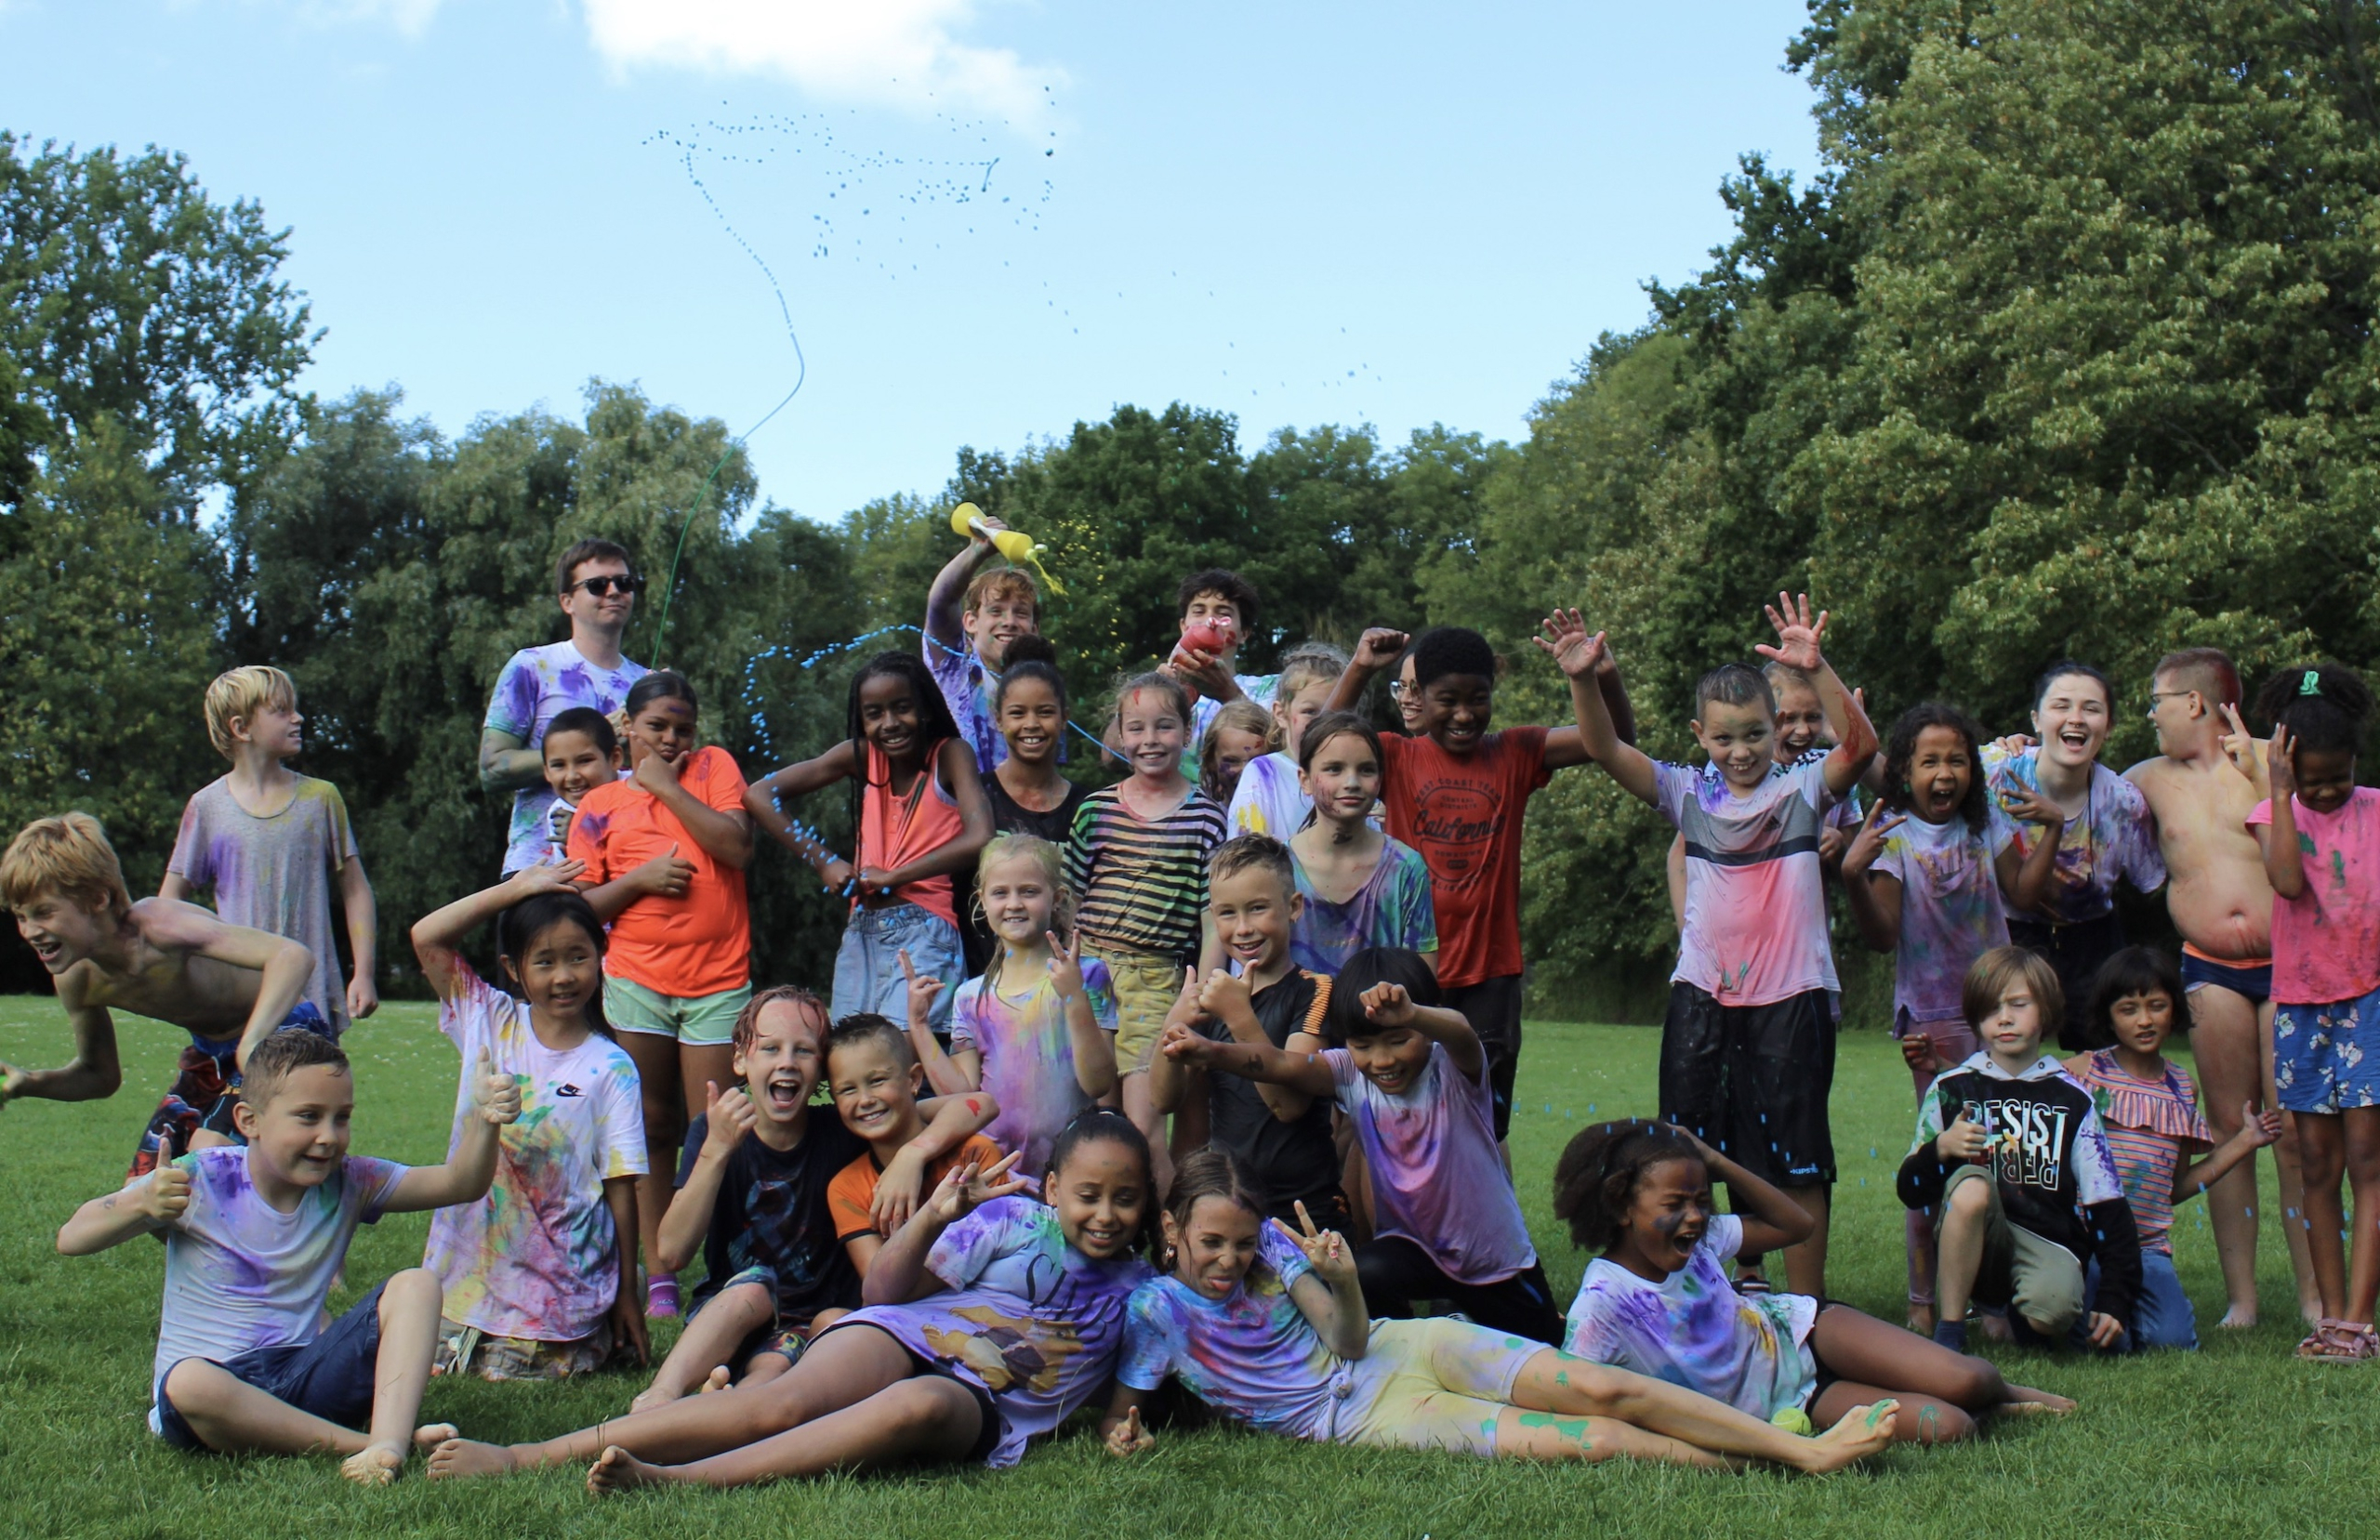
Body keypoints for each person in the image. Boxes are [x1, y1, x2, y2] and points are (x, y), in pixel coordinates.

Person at [427, 1112, 1157, 1489]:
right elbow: (885, 1290)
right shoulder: (1008, 1217)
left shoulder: (1144, 1294)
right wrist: (938, 1213)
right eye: (1087, 1194)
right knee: (777, 1405)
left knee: (921, 1406)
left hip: (978, 1399)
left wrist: (1122, 1428)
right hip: (905, 1331)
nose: (1105, 1214)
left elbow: (1128, 1393)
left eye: (1125, 1199)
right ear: (1053, 1187)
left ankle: (674, 1480)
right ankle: (524, 1455)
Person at [1100, 1145, 1903, 1471]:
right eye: (1212, 1243)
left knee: (1596, 1386)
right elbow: (1123, 1411)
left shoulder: (1275, 1244)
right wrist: (1123, 1431)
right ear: (1172, 1228)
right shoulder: (1154, 1311)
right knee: (1589, 1438)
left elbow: (1346, 1340)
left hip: (1402, 1345)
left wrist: (1339, 1275)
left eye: (1240, 1244)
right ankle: (1774, 1455)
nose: (1230, 1260)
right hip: (1358, 1417)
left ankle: (1804, 1448)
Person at [1547, 598, 1873, 1297]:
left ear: (1777, 727)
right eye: (1725, 738)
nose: (1743, 750)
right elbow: (1604, 748)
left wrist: (1818, 673)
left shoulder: (1802, 789)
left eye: (1756, 733)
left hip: (1792, 999)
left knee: (1798, 1159)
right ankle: (1699, 1299)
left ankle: (1808, 1312)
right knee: (1687, 1154)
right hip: (1702, 997)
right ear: (1701, 735)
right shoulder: (1687, 792)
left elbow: (1862, 749)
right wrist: (1582, 678)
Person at [57, 1026, 522, 1483]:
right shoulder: (201, 1177)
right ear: (248, 1121)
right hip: (215, 1399)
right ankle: (374, 1446)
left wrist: (484, 1119)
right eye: (308, 1116)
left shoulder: (351, 1182)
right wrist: (141, 1202)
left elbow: (461, 1183)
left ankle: (384, 1443)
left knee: (416, 1285)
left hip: (304, 1375)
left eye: (341, 1117)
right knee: (187, 1383)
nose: (328, 1136)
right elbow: (72, 1237)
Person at [1556, 1119, 2073, 1443]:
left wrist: (1716, 1162)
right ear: (1622, 1205)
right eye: (1675, 1205)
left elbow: (1795, 1226)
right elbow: (1579, 1396)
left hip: (1806, 1331)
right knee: (1950, 1426)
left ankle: (2004, 1389)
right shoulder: (1604, 1302)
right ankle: (1981, 1403)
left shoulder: (1705, 1238)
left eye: (1699, 1201)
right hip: (1793, 1401)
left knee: (1968, 1380)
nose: (1693, 1217)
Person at [1324, 619, 1635, 1143]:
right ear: (1419, 696)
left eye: (1478, 698)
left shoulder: (1516, 752)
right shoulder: (1398, 756)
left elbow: (1615, 742)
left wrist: (1600, 677)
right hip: (1412, 969)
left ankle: (1479, 1225)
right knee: (1397, 1118)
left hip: (1491, 975)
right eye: (1448, 699)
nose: (1464, 714)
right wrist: (1359, 668)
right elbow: (1326, 741)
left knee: (1482, 1125)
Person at [1161, 947, 1563, 1342]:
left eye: (1398, 1039)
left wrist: (1414, 1013)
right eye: (1364, 1045)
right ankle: (1402, 1348)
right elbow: (1282, 1064)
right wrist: (1211, 1051)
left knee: (1545, 1348)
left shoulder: (1455, 1069)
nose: (1382, 1061)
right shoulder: (1350, 1073)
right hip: (1413, 1250)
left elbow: (1459, 1028)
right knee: (1362, 1274)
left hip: (1493, 1258)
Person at [1836, 702, 2060, 1329]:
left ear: (1972, 770)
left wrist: (2055, 830)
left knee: (2007, 1148)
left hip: (1999, 1010)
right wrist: (1854, 874)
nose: (1945, 771)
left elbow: (2025, 893)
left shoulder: (1984, 826)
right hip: (1930, 1018)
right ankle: (1922, 1298)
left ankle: (1992, 1296)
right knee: (1939, 1152)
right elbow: (1882, 935)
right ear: (1904, 772)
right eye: (1929, 760)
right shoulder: (1895, 835)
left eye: (1957, 759)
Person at [565, 669, 755, 1318]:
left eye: (682, 728)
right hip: (638, 978)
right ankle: (660, 1269)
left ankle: (728, 1263)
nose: (672, 738)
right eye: (657, 728)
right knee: (650, 1123)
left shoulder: (715, 767)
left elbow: (736, 846)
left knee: (712, 1128)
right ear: (629, 727)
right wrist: (642, 877)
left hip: (718, 979)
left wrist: (668, 787)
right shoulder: (598, 806)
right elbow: (581, 906)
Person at [2127, 645, 2307, 1326]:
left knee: (2291, 1132)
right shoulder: (2145, 778)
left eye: (2157, 701)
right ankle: (2244, 1298)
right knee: (2234, 1128)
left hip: (2290, 963)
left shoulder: (2271, 757)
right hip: (2209, 966)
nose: (2151, 715)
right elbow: (2075, 792)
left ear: (2194, 703)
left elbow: (2321, 832)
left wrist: (2266, 782)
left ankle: (2316, 1292)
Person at [411, 864, 648, 1379]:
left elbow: (620, 1187)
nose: (564, 976)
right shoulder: (487, 1018)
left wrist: (628, 1292)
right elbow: (426, 936)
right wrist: (513, 890)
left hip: (558, 1289)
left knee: (511, 1373)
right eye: (544, 961)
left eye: (578, 957)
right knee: (426, 1357)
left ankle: (600, 1314)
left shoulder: (611, 1067)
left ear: (600, 957)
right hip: (466, 1282)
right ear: (514, 969)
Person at [1, 812, 320, 1178]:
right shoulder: (78, 980)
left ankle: (321, 1196)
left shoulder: (161, 929)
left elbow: (292, 956)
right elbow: (99, 1076)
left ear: (98, 899)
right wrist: (30, 1082)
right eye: (20, 916)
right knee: (148, 1182)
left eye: (44, 913)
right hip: (213, 1055)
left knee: (212, 1151)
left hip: (286, 1034)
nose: (30, 931)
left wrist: (252, 1043)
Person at [1898, 947, 2141, 1354]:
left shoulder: (2074, 1099)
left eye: (2018, 1004)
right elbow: (1910, 1189)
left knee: (2053, 1311)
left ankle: (2015, 1315)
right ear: (1976, 1017)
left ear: (2044, 1011)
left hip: (2047, 1239)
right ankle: (1952, 1329)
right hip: (1976, 1234)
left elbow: (2108, 1206)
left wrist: (2115, 1297)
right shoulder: (1952, 1089)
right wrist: (1940, 1149)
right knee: (1972, 1187)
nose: (2005, 1018)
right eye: (1991, 1008)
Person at [746, 652, 992, 1042]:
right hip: (861, 931)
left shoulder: (950, 753)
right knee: (849, 1056)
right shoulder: (861, 755)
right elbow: (759, 795)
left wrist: (895, 875)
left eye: (902, 708)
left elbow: (980, 837)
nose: (890, 723)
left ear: (925, 708)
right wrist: (824, 860)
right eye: (874, 713)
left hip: (926, 931)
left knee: (902, 1060)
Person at [2245, 663, 2380, 1360]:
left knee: (2368, 1159)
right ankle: (2331, 1319)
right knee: (2317, 1165)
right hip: (2301, 1009)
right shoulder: (2274, 813)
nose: (2326, 790)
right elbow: (2289, 882)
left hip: (2370, 1005)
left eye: (2339, 776)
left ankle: (2359, 1320)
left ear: (2357, 759)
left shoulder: (2378, 811)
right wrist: (2277, 785)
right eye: (2311, 778)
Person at [2063, 947, 2282, 1351]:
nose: (2144, 1020)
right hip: (2088, 1244)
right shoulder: (2086, 1072)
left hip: (2148, 1250)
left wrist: (2246, 1141)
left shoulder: (2182, 1088)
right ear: (2108, 1016)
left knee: (2174, 1343)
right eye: (2129, 1009)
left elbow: (2176, 1187)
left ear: (2174, 1010)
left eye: (2157, 1006)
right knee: (2109, 1343)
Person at [1065, 671, 1227, 1194]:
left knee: (1145, 1124)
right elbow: (1067, 901)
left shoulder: (1206, 817)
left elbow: (1211, 917)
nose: (1149, 740)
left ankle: (1163, 1239)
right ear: (1118, 734)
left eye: (1164, 726)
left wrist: (1200, 991)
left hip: (1157, 980)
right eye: (1135, 728)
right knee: (1092, 1113)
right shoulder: (1096, 810)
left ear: (1187, 732)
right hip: (1090, 971)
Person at [162, 665, 377, 1038]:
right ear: (241, 728)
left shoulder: (321, 799)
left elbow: (355, 889)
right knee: (234, 1095)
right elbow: (169, 905)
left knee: (310, 1095)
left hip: (309, 998)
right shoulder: (207, 807)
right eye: (281, 710)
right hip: (235, 1000)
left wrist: (364, 973)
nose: (299, 718)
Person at [1150, 835, 1347, 1231]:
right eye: (1227, 913)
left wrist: (1238, 1013)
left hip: (1304, 1206)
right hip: (1231, 1206)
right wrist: (1174, 1027)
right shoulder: (1213, 1000)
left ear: (1293, 907)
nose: (1242, 929)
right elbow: (1163, 1099)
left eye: (1257, 909)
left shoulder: (1314, 990)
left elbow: (1287, 1105)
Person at [905, 835, 1119, 1180]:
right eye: (1001, 893)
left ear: (1057, 899)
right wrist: (918, 1024)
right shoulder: (970, 997)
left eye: (1029, 891)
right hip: (994, 1172)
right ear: (982, 902)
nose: (1014, 903)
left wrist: (1074, 997)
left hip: (1070, 1174)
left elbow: (1097, 1083)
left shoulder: (1086, 976)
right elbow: (962, 1094)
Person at [1985, 663, 2167, 1048]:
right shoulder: (1992, 774)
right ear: (2036, 719)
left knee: (2103, 1068)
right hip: (2007, 936)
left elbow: (2150, 880)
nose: (2076, 719)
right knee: (2004, 1064)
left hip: (2094, 943)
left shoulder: (2124, 802)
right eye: (2061, 706)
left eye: (2091, 709)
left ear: (2110, 725)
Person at [481, 537, 649, 875]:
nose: (614, 591)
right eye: (598, 585)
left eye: (625, 583)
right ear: (567, 601)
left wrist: (674, 711)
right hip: (540, 868)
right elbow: (492, 768)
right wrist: (593, 742)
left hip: (624, 870)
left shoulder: (647, 684)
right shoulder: (532, 666)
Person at [822, 1013, 1005, 1277]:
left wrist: (912, 1155)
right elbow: (879, 1287)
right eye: (847, 1090)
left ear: (915, 1080)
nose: (865, 1099)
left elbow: (1004, 1253)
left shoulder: (973, 1156)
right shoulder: (847, 1188)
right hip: (903, 1311)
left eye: (877, 1081)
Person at [1286, 711, 1435, 976]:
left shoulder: (1406, 869)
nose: (1352, 782)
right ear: (1305, 780)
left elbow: (1422, 979)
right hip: (1296, 1018)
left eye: (1366, 770)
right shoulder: (1279, 868)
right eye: (1334, 769)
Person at [921, 510, 1041, 770]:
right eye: (996, 611)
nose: (1009, 621)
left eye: (1020, 613)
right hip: (954, 810)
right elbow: (942, 604)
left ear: (1034, 629)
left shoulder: (1042, 689)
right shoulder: (953, 669)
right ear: (970, 622)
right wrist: (976, 552)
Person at [1226, 641, 1351, 839]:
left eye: (1333, 712)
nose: (1322, 722)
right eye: (1310, 712)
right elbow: (1246, 859)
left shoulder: (1354, 776)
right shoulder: (1263, 776)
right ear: (1281, 714)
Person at [1162, 569, 1280, 744]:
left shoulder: (1273, 688)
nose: (1210, 621)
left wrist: (1230, 694)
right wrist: (1155, 697)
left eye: (1223, 613)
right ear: (1183, 626)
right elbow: (1111, 756)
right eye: (1199, 611)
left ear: (1244, 634)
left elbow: (1283, 747)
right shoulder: (1161, 684)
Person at [532, 706, 622, 864]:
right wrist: (577, 841)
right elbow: (578, 879)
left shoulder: (641, 788)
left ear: (615, 758)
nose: (572, 776)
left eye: (585, 761)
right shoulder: (562, 813)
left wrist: (586, 834)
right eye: (559, 765)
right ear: (546, 772)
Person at [1197, 698, 1278, 809]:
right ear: (1211, 762)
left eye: (1257, 760)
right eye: (1232, 761)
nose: (1246, 771)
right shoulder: (1204, 818)